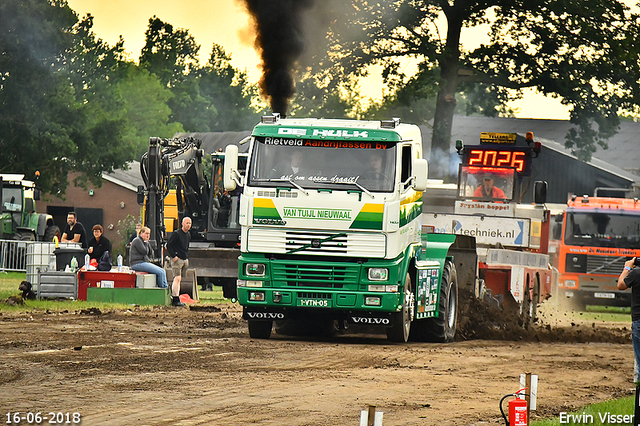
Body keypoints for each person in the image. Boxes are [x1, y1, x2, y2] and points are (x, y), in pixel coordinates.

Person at [617, 257, 640, 384]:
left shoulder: (636, 273)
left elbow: (621, 285)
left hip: (638, 321)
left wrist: (627, 268)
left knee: (639, 361)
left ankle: (639, 399)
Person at [166, 217, 192, 307]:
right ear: (182, 224)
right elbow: (169, 245)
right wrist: (174, 256)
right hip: (177, 259)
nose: (188, 225)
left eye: (189, 223)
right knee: (177, 278)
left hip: (184, 258)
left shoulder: (188, 234)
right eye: (187, 223)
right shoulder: (176, 234)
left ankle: (177, 298)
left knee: (180, 278)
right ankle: (175, 299)